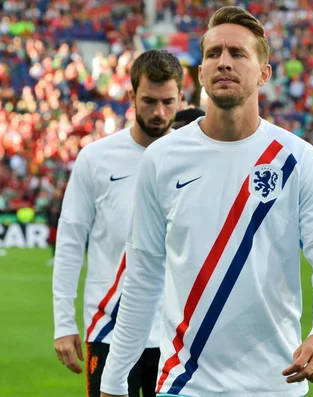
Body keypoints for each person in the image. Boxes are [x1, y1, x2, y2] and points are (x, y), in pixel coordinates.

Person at [100, 6, 313, 397]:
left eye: (238, 53)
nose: (224, 62)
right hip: (183, 385)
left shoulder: (296, 159)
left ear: (264, 73)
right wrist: (114, 379)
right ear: (200, 73)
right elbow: (143, 277)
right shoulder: (162, 158)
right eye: (213, 53)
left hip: (274, 385)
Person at [52, 49, 183, 397]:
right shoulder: (95, 158)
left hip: (176, 333)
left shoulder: (192, 161)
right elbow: (69, 242)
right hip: (108, 327)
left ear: (182, 97)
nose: (159, 112)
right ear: (131, 96)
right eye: (149, 101)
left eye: (168, 102)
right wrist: (64, 323)